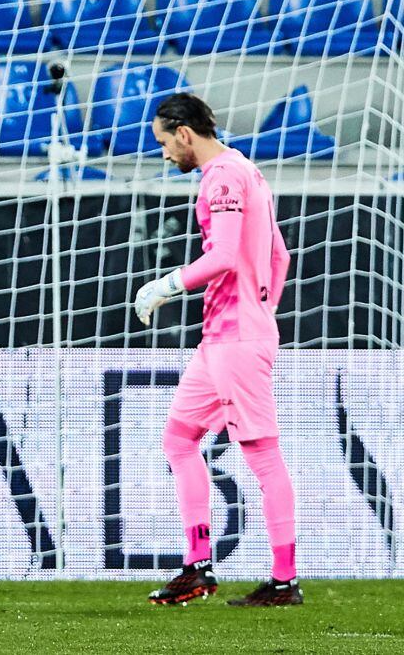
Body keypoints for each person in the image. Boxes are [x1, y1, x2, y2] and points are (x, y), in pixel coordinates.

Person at [136, 93, 301, 607]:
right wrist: (263, 307)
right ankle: (198, 567)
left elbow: (225, 254)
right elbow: (280, 254)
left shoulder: (222, 176)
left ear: (184, 133)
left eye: (164, 142)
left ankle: (284, 581)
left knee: (262, 454)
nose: (165, 153)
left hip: (236, 338)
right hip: (226, 336)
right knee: (179, 439)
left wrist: (166, 285)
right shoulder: (246, 169)